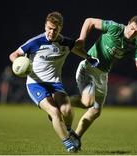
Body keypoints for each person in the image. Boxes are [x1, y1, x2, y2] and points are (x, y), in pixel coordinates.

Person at [9, 11, 98, 152]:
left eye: (55, 29)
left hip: (55, 83)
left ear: (60, 28)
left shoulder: (66, 42)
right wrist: (19, 63)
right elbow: (14, 54)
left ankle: (68, 130)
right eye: (49, 28)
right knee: (55, 112)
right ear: (45, 26)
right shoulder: (35, 42)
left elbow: (75, 49)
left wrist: (88, 57)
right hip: (35, 83)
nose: (51, 32)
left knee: (67, 110)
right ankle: (69, 144)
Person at [71, 15, 137, 146]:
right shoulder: (114, 27)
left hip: (103, 75)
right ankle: (63, 102)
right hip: (89, 68)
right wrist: (82, 39)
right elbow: (89, 21)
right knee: (87, 102)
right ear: (128, 23)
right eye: (132, 28)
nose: (132, 33)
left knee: (96, 111)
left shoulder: (136, 45)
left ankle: (75, 137)